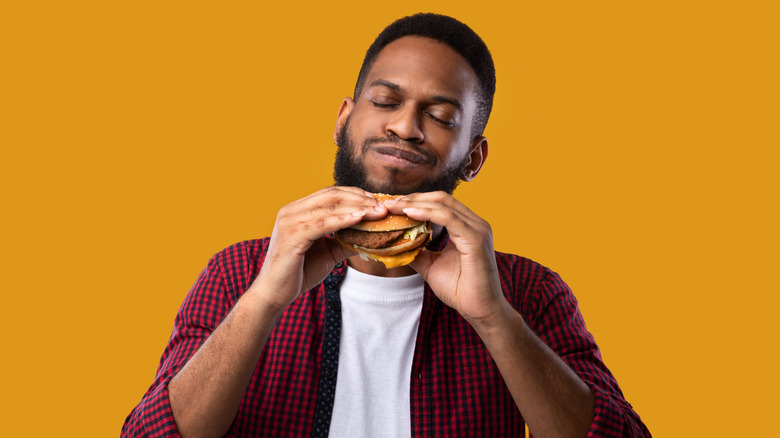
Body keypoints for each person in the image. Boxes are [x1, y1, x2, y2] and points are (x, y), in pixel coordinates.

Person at [122, 13, 650, 438]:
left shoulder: (528, 292)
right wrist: (262, 303)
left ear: (474, 157)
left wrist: (494, 319)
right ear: (343, 119)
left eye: (441, 117)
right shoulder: (239, 273)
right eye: (385, 101)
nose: (404, 126)